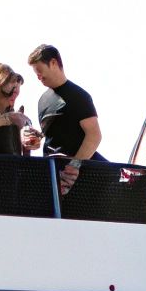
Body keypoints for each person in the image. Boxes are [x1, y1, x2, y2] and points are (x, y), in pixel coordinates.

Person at [28, 45, 103, 194]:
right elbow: (53, 135)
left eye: (40, 71)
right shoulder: (43, 100)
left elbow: (94, 135)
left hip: (82, 180)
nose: (39, 77)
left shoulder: (79, 96)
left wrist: (74, 166)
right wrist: (35, 139)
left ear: (54, 63)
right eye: (36, 74)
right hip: (53, 174)